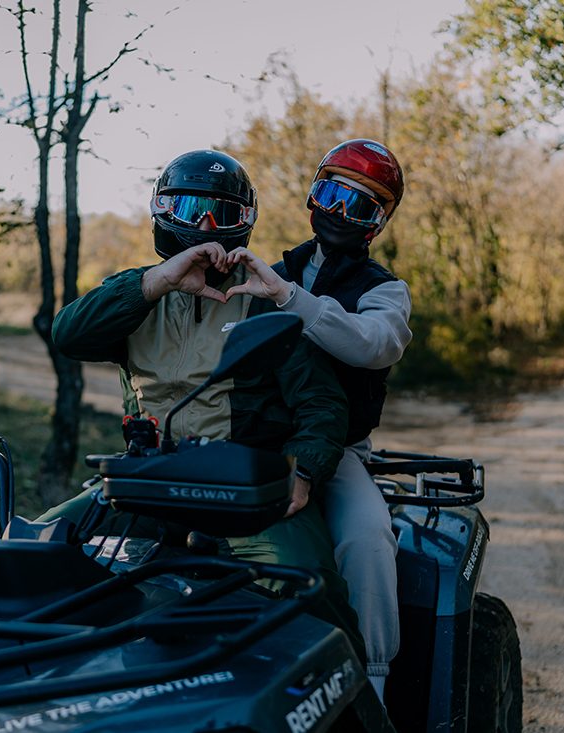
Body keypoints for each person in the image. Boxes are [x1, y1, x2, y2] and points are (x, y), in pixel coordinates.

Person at [41, 147, 376, 680]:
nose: (205, 226)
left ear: (244, 224)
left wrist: (303, 474)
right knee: (33, 552)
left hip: (241, 488)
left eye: (222, 213)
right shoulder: (135, 295)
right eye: (191, 207)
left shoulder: (263, 299)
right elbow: (67, 335)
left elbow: (321, 404)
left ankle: (352, 695)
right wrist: (160, 280)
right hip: (145, 479)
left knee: (309, 586)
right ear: (161, 210)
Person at [222, 139, 411, 702]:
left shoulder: (385, 290)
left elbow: (371, 345)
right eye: (331, 193)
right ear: (312, 196)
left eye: (362, 206)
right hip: (256, 443)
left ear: (379, 223)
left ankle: (373, 683)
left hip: (342, 451)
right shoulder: (269, 270)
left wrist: (288, 298)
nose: (340, 213)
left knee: (368, 539)